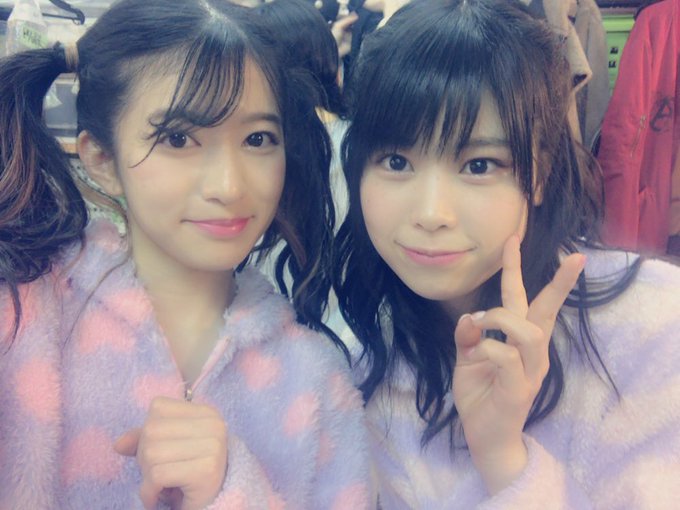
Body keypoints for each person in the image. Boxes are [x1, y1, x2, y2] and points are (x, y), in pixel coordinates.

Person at [0, 0, 373, 508]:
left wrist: (234, 491)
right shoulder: (21, 326)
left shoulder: (316, 381)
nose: (229, 185)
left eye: (257, 139)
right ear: (102, 159)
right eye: (178, 138)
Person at [333, 0, 680, 507]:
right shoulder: (355, 352)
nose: (431, 214)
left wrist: (505, 462)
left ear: (538, 173)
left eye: (479, 165)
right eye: (396, 161)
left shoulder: (652, 332)